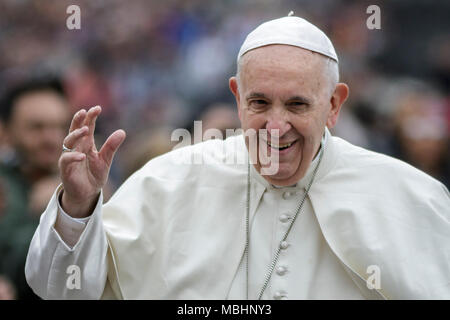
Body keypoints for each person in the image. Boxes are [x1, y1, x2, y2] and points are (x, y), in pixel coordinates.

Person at [25, 15, 449, 300]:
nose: (275, 126)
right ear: (236, 96)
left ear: (334, 105)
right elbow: (60, 290)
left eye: (297, 105)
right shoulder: (170, 180)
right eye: (260, 103)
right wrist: (77, 207)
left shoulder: (407, 195)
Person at [0, 76, 70, 299]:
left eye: (59, 126)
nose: (51, 138)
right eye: (36, 127)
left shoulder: (90, 186)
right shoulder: (5, 187)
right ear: (6, 132)